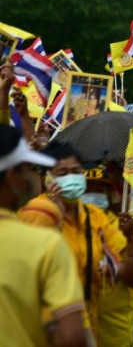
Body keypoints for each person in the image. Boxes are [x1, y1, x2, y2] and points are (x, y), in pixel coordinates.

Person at [42, 142, 133, 338]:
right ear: (48, 177)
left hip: (88, 329)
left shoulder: (96, 218)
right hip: (47, 329)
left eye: (75, 171)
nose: (70, 177)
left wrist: (130, 239)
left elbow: (124, 273)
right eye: (62, 173)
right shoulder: (35, 213)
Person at [0, 125, 86, 347]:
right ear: (11, 176)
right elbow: (72, 336)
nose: (31, 178)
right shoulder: (45, 243)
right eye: (27, 169)